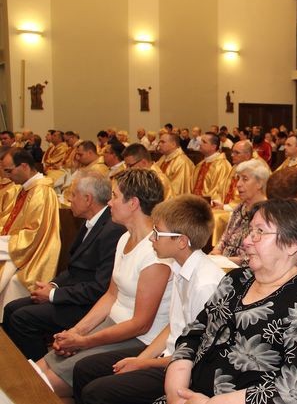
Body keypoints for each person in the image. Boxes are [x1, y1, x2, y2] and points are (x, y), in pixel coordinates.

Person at [157, 199, 297, 404]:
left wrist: (212, 403)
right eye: (250, 231)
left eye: (259, 232)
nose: (246, 241)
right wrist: (176, 388)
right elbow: (195, 331)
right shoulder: (236, 280)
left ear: (292, 244)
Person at [72, 195, 226, 404]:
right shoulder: (179, 267)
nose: (152, 238)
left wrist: (143, 364)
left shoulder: (205, 284)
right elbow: (174, 326)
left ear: (181, 241)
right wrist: (140, 359)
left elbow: (199, 355)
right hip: (169, 354)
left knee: (96, 393)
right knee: (84, 368)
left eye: (158, 232)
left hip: (184, 370)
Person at [35, 169, 173, 400]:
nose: (109, 202)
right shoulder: (124, 237)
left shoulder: (154, 252)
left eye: (115, 196)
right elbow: (110, 295)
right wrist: (76, 331)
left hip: (137, 339)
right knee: (35, 371)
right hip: (111, 325)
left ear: (133, 203)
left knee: (39, 387)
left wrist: (84, 341)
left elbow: (140, 324)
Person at [3, 171, 124, 361]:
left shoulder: (112, 230)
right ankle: (17, 364)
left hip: (87, 305)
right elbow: (74, 268)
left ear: (88, 199)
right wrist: (53, 285)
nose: (69, 199)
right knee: (11, 308)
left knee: (22, 318)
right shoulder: (90, 222)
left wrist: (53, 295)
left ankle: (38, 368)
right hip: (73, 293)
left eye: (73, 195)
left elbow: (100, 287)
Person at [0, 149, 61, 318]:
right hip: (19, 246)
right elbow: (10, 220)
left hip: (34, 254)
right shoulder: (27, 188)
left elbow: (33, 234)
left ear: (24, 166)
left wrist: (4, 242)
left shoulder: (41, 192)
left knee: (11, 281)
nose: (7, 176)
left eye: (9, 171)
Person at [212, 159, 270, 263]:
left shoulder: (267, 212)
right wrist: (216, 252)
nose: (238, 184)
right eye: (238, 179)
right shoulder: (240, 208)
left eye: (245, 179)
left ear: (259, 183)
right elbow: (225, 237)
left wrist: (224, 260)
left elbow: (256, 257)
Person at [191, 132, 232, 199]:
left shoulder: (222, 166)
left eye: (204, 142)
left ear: (213, 147)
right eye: (201, 141)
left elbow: (218, 192)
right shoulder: (200, 164)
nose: (200, 144)